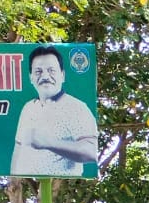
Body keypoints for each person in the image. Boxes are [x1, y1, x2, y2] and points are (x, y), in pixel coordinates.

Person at [11, 45, 98, 177]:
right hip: (31, 191)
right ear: (31, 78)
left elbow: (92, 151)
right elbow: (18, 149)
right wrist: (14, 178)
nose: (45, 76)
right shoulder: (28, 108)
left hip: (65, 190)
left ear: (62, 75)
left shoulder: (76, 107)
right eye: (38, 71)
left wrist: (48, 143)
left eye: (51, 70)